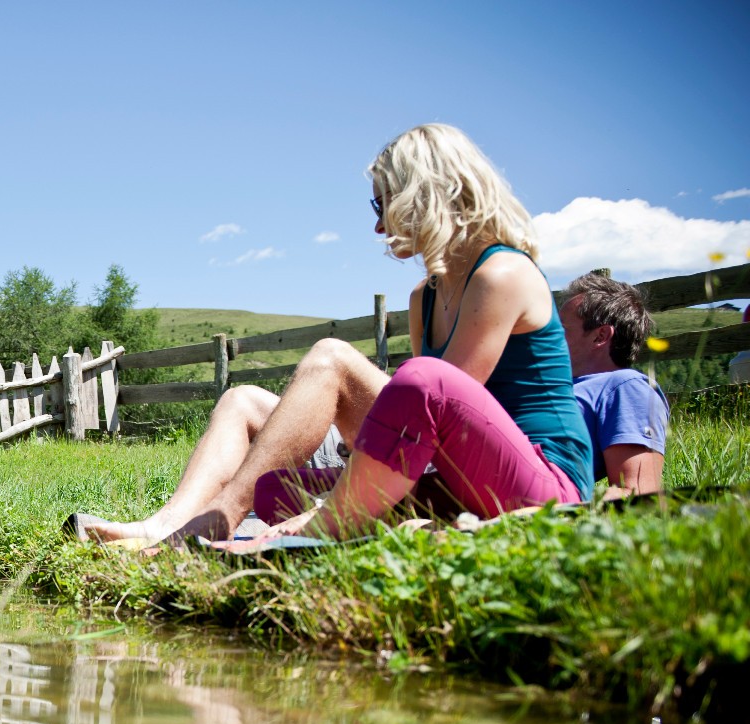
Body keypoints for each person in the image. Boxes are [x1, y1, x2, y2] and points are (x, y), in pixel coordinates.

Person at [71, 124, 592, 546]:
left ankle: (225, 517)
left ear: (424, 194)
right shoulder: (425, 296)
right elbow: (421, 419)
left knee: (338, 359)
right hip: (456, 470)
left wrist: (332, 502)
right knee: (244, 401)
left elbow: (438, 395)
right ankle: (165, 525)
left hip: (540, 484)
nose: (378, 224)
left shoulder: (501, 274)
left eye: (381, 202)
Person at [560, 272, 667, 498]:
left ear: (600, 336)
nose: (550, 337)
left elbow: (636, 494)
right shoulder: (560, 384)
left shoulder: (625, 387)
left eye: (562, 329)